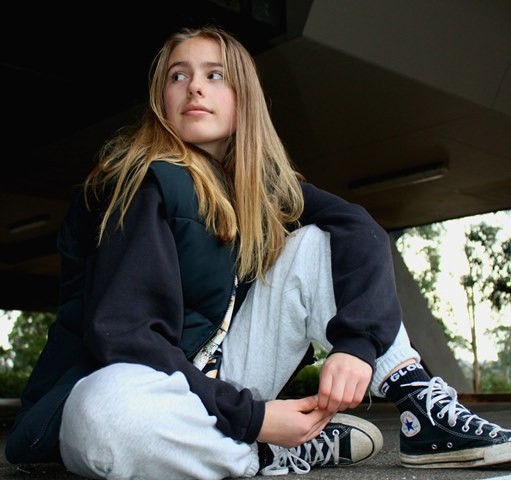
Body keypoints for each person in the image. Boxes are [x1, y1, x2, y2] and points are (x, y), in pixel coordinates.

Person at [5, 26, 511, 479]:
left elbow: (358, 228)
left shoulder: (257, 188)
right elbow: (127, 339)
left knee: (317, 241)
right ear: (161, 99)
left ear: (243, 98)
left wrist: (356, 345)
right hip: (137, 385)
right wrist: (256, 419)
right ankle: (265, 453)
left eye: (215, 75)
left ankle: (419, 407)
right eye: (178, 76)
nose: (195, 87)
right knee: (106, 415)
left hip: (221, 380)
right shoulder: (137, 182)